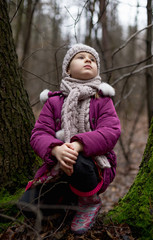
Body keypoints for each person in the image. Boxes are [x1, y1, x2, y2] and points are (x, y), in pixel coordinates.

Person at [18, 43, 121, 235]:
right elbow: (39, 134)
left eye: (92, 59)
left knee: (78, 161)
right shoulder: (54, 101)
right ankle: (69, 201)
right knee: (27, 205)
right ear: (67, 68)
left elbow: (111, 131)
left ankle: (89, 202)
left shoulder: (102, 99)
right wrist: (55, 149)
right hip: (58, 165)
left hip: (91, 166)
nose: (88, 60)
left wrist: (78, 144)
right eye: (80, 57)